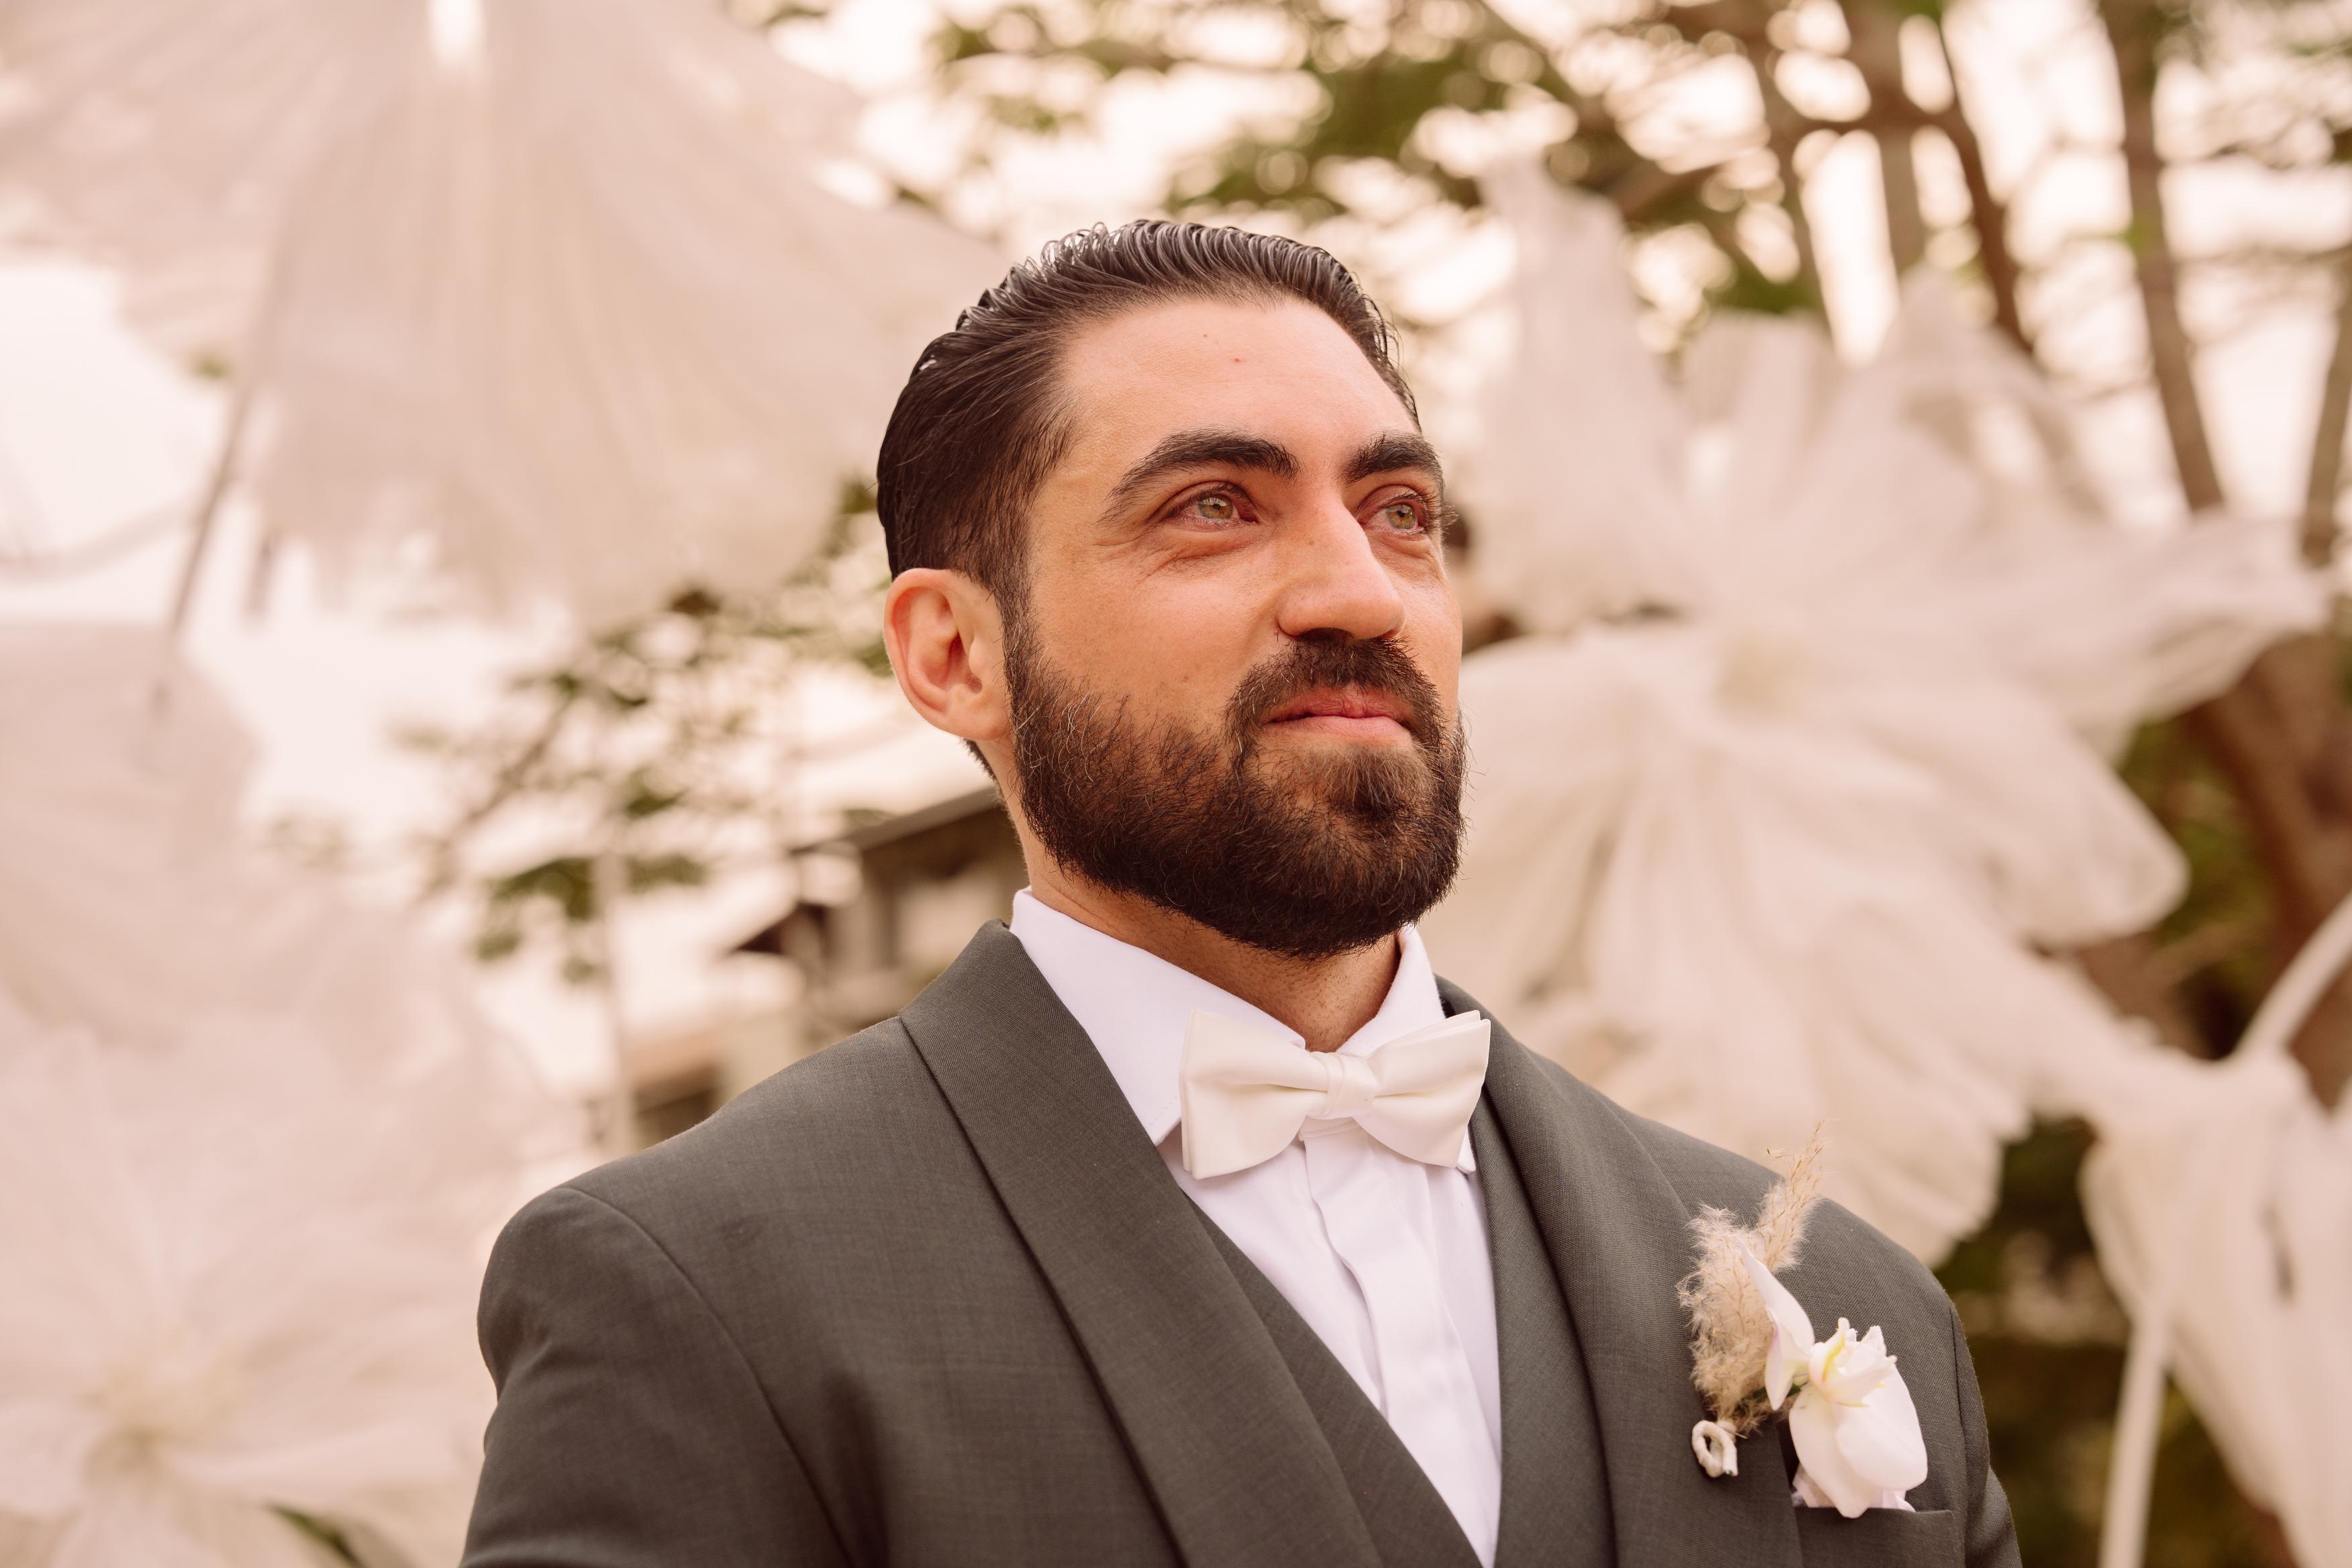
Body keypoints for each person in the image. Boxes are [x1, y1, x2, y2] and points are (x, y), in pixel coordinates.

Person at [461, 222, 2019, 1568]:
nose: (1359, 591)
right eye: (1213, 506)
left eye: (1401, 513)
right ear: (955, 654)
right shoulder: (697, 1294)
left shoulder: (1851, 1298)